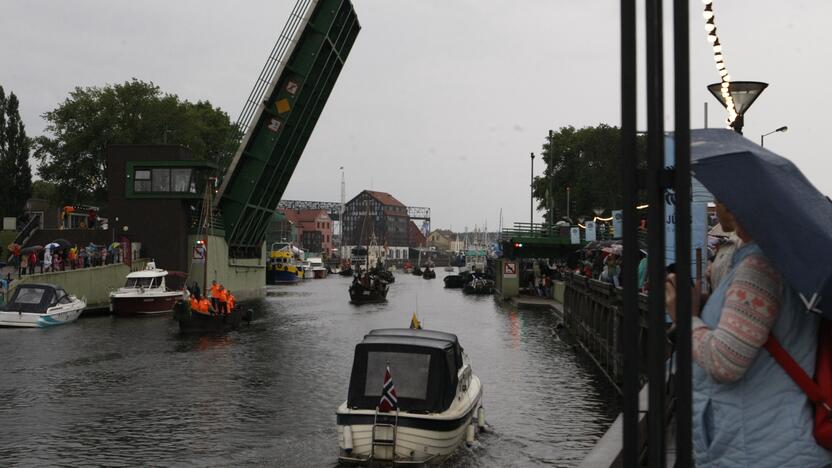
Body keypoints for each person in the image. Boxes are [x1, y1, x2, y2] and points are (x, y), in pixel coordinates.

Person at [665, 202, 832, 467]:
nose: (718, 205)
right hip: (776, 439)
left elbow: (726, 361)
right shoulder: (784, 261)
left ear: (734, 207)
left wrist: (684, 317)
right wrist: (708, 306)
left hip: (758, 447)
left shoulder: (759, 268)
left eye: (720, 199)